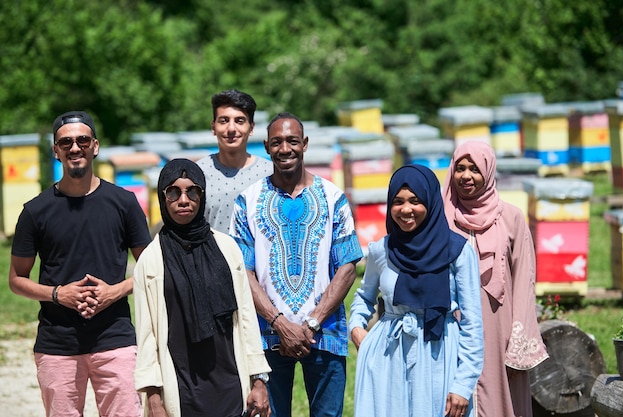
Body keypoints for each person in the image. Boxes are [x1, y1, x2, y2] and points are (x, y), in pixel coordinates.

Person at [8, 110, 152, 417]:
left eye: (83, 140)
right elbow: (16, 279)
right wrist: (60, 295)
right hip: (57, 343)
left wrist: (115, 292)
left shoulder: (124, 203)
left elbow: (153, 267)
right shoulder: (35, 212)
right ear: (56, 151)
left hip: (115, 339)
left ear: (95, 146)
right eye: (67, 142)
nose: (75, 148)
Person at [230, 112, 363, 417]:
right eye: (277, 142)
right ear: (266, 146)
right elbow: (243, 272)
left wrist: (312, 321)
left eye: (292, 141)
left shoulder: (334, 198)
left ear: (304, 144)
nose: (285, 149)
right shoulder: (247, 201)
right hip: (267, 337)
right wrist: (279, 323)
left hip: (325, 333)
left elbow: (347, 267)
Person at [133, 158, 271, 417]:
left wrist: (259, 380)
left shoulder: (227, 249)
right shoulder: (151, 260)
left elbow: (247, 319)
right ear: (163, 199)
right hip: (182, 390)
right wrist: (153, 398)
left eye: (192, 191)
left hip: (230, 384)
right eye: (173, 192)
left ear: (202, 195)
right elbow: (147, 334)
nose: (183, 200)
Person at [349, 164, 484, 417]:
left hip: (440, 355)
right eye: (397, 202)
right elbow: (363, 297)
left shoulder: (458, 252)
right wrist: (357, 329)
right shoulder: (382, 250)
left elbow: (473, 325)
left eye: (415, 201)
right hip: (389, 356)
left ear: (431, 203)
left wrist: (463, 384)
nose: (406, 210)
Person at [442, 141, 549, 417]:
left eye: (475, 169)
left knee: (502, 401)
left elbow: (525, 281)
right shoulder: (441, 217)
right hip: (452, 329)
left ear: (488, 172)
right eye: (460, 168)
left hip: (499, 329)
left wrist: (519, 340)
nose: (466, 176)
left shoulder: (512, 218)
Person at [196, 89, 273, 233]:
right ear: (213, 127)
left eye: (239, 121)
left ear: (251, 127)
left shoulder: (270, 174)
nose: (231, 128)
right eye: (224, 121)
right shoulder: (197, 173)